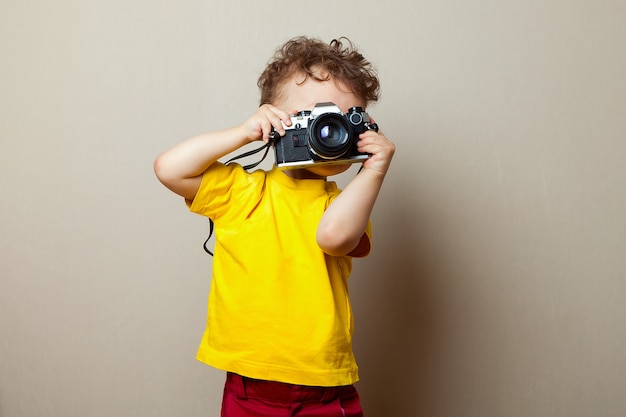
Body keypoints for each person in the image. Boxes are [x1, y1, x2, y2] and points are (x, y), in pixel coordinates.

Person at [154, 36, 395, 417]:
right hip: (248, 384)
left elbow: (333, 237)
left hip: (325, 387)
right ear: (275, 121)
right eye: (317, 117)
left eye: (347, 119)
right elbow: (169, 168)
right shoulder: (241, 191)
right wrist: (243, 132)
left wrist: (375, 169)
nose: (330, 131)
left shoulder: (344, 205)